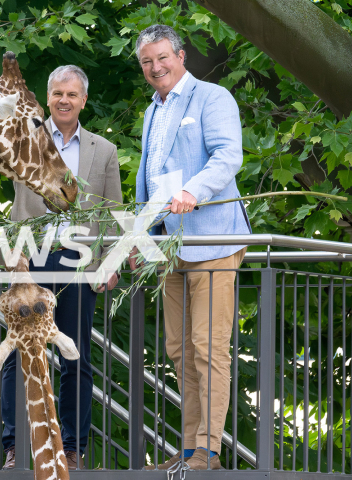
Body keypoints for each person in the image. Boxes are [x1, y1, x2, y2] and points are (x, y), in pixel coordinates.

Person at [129, 25, 251, 471]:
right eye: (146, 61)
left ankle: (209, 452)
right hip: (170, 248)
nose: (155, 67)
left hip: (214, 240)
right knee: (179, 350)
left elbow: (227, 156)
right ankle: (187, 452)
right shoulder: (152, 112)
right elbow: (149, 183)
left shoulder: (212, 98)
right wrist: (140, 238)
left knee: (208, 347)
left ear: (180, 55)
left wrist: (194, 191)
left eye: (162, 57)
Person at [0, 65, 123, 470]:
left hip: (78, 260)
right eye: (57, 94)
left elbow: (111, 213)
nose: (64, 100)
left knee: (76, 356)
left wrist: (109, 263)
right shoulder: (23, 141)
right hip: (29, 258)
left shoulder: (103, 150)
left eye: (71, 94)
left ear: (83, 100)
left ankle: (71, 447)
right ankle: (17, 444)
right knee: (21, 350)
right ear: (47, 97)